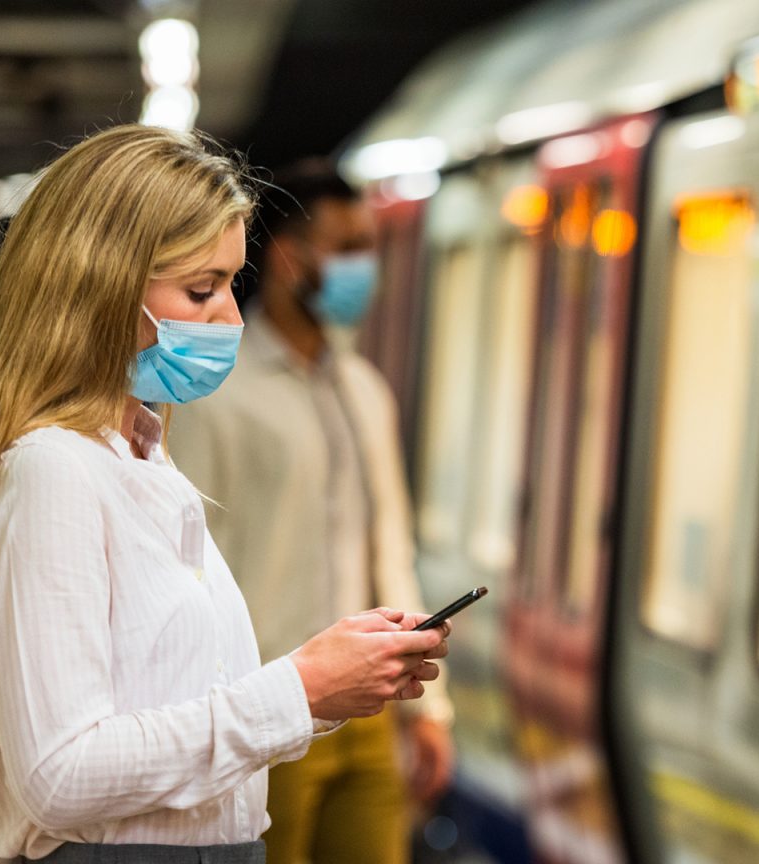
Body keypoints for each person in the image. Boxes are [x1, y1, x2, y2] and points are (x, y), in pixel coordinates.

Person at [0, 124, 449, 864]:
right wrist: (299, 689)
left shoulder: (142, 461)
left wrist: (327, 679)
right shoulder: (53, 473)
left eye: (230, 285)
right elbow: (62, 774)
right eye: (202, 289)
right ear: (102, 286)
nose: (233, 319)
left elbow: (178, 702)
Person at [170, 165, 453, 864]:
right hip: (268, 703)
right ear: (291, 257)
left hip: (365, 709)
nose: (364, 266)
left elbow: (389, 543)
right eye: (345, 246)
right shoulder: (216, 392)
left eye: (367, 247)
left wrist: (428, 709)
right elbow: (191, 562)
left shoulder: (364, 389)